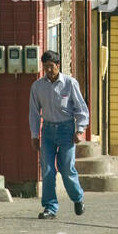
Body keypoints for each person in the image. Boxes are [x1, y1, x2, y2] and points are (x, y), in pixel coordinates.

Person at [29, 50, 89, 219]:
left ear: (58, 65)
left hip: (66, 130)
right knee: (47, 170)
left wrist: (80, 130)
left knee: (66, 168)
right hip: (47, 131)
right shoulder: (38, 86)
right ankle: (50, 208)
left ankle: (78, 198)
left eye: (51, 67)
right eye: (45, 67)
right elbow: (34, 113)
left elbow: (81, 109)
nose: (48, 70)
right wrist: (35, 135)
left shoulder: (70, 83)